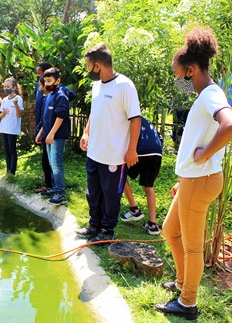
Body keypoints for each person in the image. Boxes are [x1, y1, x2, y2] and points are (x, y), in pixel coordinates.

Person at [154, 27, 232, 320]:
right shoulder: (205, 94)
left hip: (200, 181)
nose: (178, 82)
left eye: (179, 76)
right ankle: (181, 284)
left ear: (191, 70)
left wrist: (203, 155)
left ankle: (187, 302)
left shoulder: (209, 96)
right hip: (193, 181)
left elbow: (231, 125)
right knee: (170, 230)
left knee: (192, 247)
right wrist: (184, 179)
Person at [76, 43, 141, 243]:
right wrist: (86, 133)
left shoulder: (124, 85)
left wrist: (132, 149)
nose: (87, 69)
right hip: (94, 152)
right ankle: (94, 224)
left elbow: (135, 118)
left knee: (111, 195)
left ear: (98, 65)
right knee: (93, 192)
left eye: (88, 65)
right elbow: (94, 114)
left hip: (115, 155)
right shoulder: (96, 86)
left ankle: (107, 230)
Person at [35, 67, 72, 205]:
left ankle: (61, 193)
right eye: (45, 81)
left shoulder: (61, 95)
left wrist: (51, 134)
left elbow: (61, 116)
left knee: (56, 164)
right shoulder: (49, 96)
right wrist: (41, 133)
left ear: (58, 80)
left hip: (57, 136)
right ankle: (55, 188)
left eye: (50, 81)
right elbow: (46, 118)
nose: (47, 84)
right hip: (49, 136)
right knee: (51, 163)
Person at [120, 116, 163, 235]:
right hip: (157, 152)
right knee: (149, 187)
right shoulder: (145, 120)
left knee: (120, 175)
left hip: (141, 150)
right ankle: (153, 224)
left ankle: (134, 209)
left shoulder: (128, 118)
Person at [34, 62, 54, 193]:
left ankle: (53, 186)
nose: (37, 77)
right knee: (45, 159)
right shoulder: (42, 90)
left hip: (49, 128)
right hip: (42, 125)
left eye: (39, 74)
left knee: (50, 160)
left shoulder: (55, 93)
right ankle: (49, 184)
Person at [0, 77, 24, 176]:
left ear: (14, 87)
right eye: (5, 87)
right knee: (6, 150)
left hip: (12, 129)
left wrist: (16, 104)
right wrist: (3, 113)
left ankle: (12, 172)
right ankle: (8, 170)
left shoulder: (18, 99)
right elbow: (1, 116)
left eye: (8, 87)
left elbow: (20, 115)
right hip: (4, 128)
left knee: (12, 150)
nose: (6, 89)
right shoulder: (4, 100)